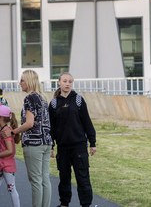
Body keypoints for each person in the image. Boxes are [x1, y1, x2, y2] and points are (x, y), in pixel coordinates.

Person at [49, 72, 97, 207]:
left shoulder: (78, 100)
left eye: (70, 81)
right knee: (64, 179)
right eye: (64, 81)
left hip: (79, 147)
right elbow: (51, 127)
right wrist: (51, 146)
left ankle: (86, 204)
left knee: (83, 178)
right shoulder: (53, 103)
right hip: (63, 147)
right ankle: (64, 204)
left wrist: (92, 143)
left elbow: (87, 122)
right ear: (59, 82)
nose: (67, 83)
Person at [11, 69, 53, 207]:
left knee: (35, 180)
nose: (20, 83)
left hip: (34, 143)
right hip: (46, 141)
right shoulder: (42, 98)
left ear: (28, 81)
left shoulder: (29, 98)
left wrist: (14, 131)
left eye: (22, 80)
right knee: (44, 179)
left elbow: (29, 123)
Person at [0, 105, 21, 207]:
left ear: (0, 118)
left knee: (11, 189)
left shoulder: (5, 132)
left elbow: (10, 150)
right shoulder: (3, 130)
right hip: (0, 165)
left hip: (7, 166)